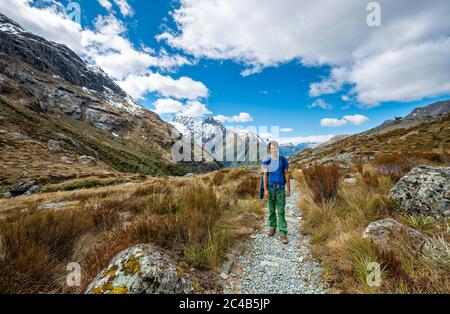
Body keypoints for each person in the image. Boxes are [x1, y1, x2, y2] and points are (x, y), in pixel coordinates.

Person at [262, 141, 290, 244]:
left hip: (281, 189)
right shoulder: (267, 160)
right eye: (271, 148)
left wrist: (288, 188)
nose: (273, 149)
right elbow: (265, 175)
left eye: (275, 147)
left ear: (277, 148)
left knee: (281, 210)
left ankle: (282, 233)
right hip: (270, 189)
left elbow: (287, 174)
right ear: (269, 149)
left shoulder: (283, 159)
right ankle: (273, 227)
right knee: (272, 209)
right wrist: (265, 190)